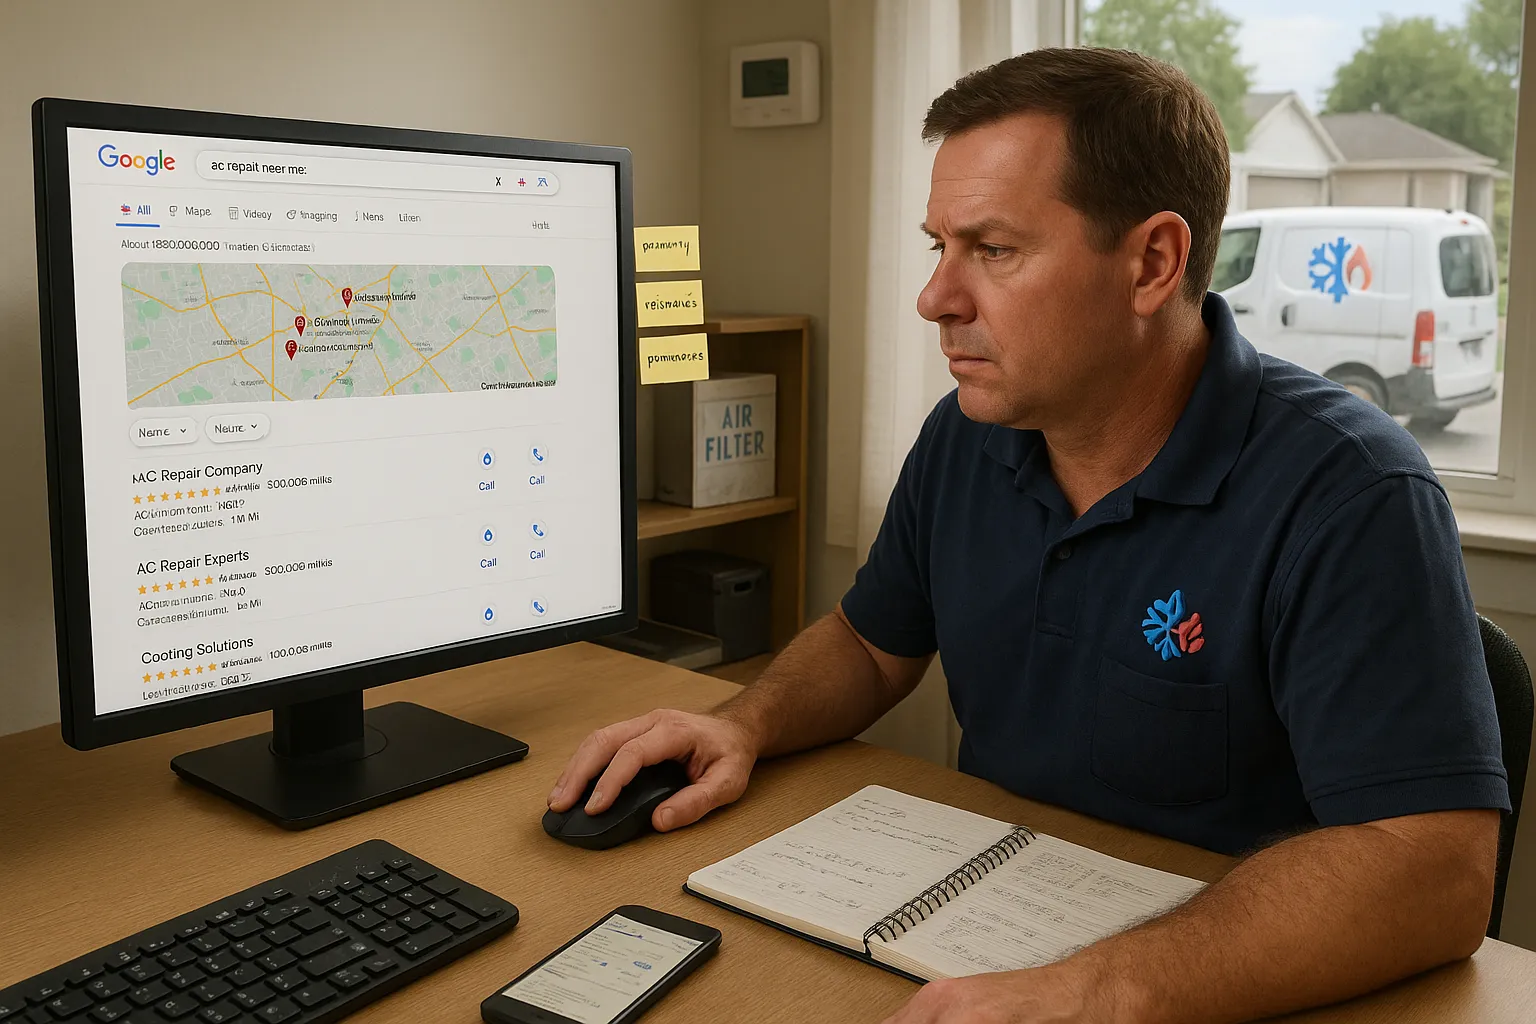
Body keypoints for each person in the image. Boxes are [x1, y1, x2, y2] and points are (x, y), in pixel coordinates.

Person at [549, 47, 1510, 1023]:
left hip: (1213, 983)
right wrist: (742, 724)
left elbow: (1434, 868)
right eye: (938, 246)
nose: (935, 297)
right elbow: (871, 645)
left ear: (1153, 263)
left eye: (994, 250)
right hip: (975, 935)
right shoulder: (969, 434)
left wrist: (1101, 989)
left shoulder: (1352, 493)